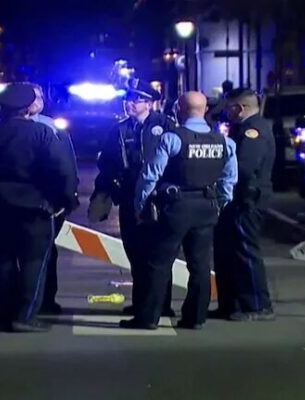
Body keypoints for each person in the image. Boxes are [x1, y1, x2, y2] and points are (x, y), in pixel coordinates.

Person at [0, 83, 78, 332]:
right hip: (36, 211)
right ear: (27, 108)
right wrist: (61, 202)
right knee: (34, 263)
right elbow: (63, 171)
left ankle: (4, 316)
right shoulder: (43, 134)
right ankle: (25, 315)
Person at [121, 91, 237, 330]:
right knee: (200, 265)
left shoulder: (171, 139)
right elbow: (229, 180)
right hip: (207, 206)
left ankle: (148, 317)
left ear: (178, 110)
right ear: (205, 110)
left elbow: (150, 175)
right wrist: (220, 203)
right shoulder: (224, 142)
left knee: (158, 263)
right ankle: (195, 318)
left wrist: (141, 205)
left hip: (175, 207)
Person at [89, 81, 175, 317]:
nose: (130, 104)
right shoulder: (119, 130)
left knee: (158, 254)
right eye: (127, 100)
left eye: (136, 100)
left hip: (158, 199)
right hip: (129, 198)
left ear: (149, 103)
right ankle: (141, 303)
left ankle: (161, 304)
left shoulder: (165, 125)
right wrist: (108, 191)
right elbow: (106, 162)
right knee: (135, 253)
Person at [210, 88, 276, 321]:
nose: (226, 113)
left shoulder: (253, 131)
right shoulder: (242, 129)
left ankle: (258, 305)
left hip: (247, 199)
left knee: (245, 252)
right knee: (227, 252)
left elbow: (244, 167)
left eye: (229, 108)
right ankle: (231, 304)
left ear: (240, 108)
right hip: (236, 199)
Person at [28, 83, 79, 314]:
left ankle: (46, 299)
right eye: (32, 97)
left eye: (39, 97)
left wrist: (68, 197)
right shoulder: (8, 127)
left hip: (48, 202)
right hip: (22, 200)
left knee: (47, 251)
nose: (36, 102)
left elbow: (68, 164)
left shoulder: (52, 127)